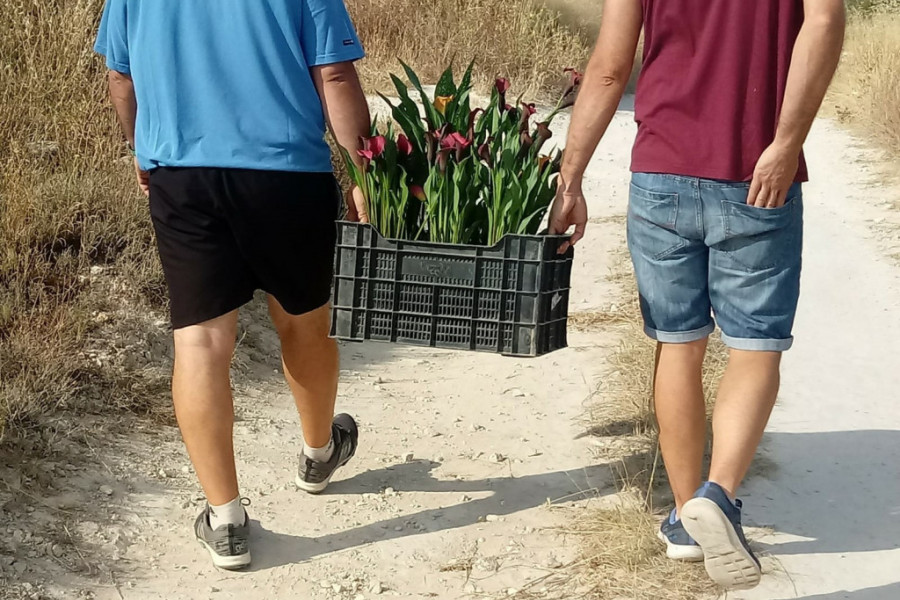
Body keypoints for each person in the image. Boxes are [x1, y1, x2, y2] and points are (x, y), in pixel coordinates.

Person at [549, 0, 845, 590]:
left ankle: (687, 518)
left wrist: (572, 177)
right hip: (758, 173)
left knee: (678, 344)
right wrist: (786, 143)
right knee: (755, 346)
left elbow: (610, 67)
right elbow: (826, 20)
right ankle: (720, 496)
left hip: (661, 175)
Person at [94, 0, 371, 570]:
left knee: (199, 340)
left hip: (181, 172)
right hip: (287, 173)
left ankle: (225, 520)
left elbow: (121, 75)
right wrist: (367, 173)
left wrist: (138, 150)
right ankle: (319, 454)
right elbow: (335, 73)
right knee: (302, 320)